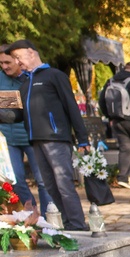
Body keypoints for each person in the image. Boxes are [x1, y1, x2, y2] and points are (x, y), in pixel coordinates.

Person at [6, 40, 90, 230]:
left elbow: (71, 106)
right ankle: (67, 224)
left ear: (31, 53)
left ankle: (78, 224)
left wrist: (82, 138)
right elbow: (18, 114)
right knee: (50, 186)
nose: (17, 62)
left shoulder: (54, 76)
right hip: (35, 140)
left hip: (56, 138)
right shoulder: (25, 84)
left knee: (63, 183)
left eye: (18, 57)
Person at [0, 47, 45, 212]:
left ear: (17, 60)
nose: (4, 66)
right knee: (15, 181)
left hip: (32, 137)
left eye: (7, 62)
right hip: (8, 140)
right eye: (1, 63)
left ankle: (50, 215)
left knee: (42, 180)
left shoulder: (31, 77)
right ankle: (31, 214)